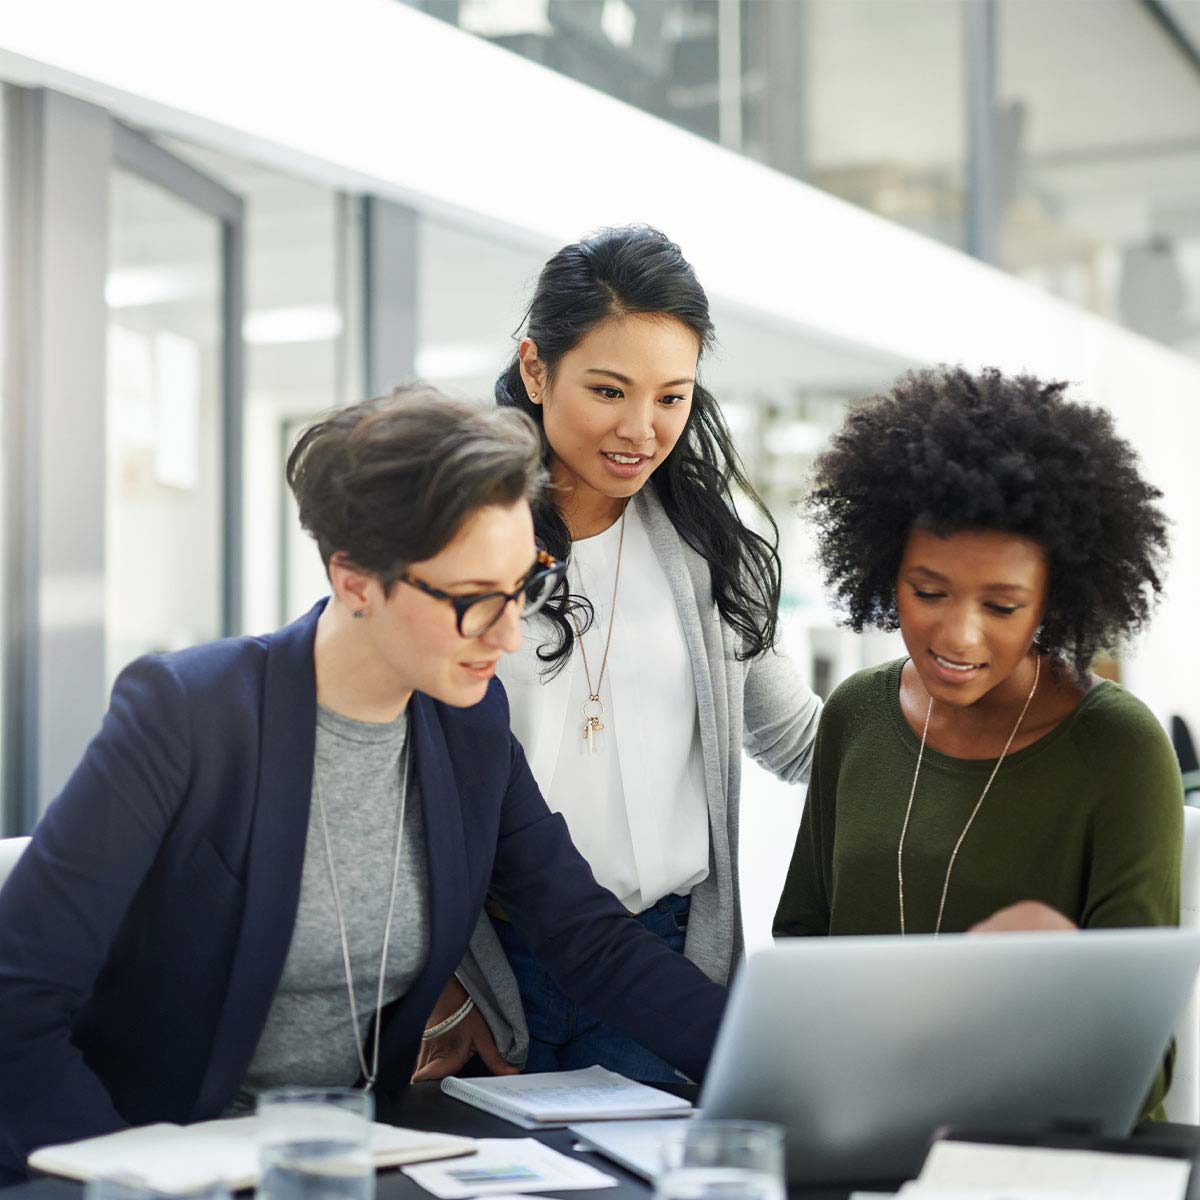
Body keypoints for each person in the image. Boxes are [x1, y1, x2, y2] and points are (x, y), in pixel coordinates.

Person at [0, 387, 727, 1182]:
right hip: (151, 1156)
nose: (512, 633)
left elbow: (587, 939)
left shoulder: (469, 725)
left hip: (352, 1162)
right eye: (476, 601)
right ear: (354, 581)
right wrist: (131, 1185)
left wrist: (762, 1057)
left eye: (523, 588)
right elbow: (18, 998)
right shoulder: (188, 715)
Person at [415, 226, 820, 1083]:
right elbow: (394, 774)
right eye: (608, 389)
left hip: (665, 960)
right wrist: (444, 983)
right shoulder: (457, 539)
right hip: (493, 966)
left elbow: (798, 739)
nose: (642, 429)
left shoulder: (710, 548)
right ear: (535, 370)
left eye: (672, 398)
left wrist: (970, 712)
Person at [772, 365, 1182, 1114]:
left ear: (1053, 603)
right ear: (883, 569)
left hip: (1044, 1153)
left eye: (1002, 605)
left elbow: (1140, 1063)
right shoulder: (856, 714)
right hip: (863, 1127)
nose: (957, 635)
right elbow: (801, 951)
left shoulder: (1120, 751)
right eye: (928, 592)